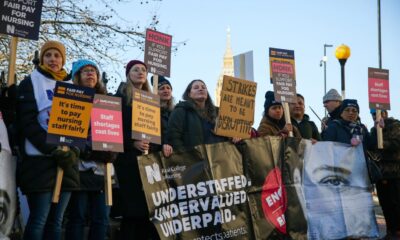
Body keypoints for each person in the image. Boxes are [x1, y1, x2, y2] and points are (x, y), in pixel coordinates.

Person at [16, 40, 80, 240]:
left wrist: (73, 152)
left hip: (66, 164)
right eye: (48, 55)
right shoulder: (30, 82)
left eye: (57, 55)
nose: (53, 59)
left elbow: (78, 125)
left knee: (56, 221)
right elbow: (27, 123)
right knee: (39, 220)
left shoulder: (72, 87)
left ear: (63, 60)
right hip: (40, 162)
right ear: (42, 58)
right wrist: (52, 148)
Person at [65, 59, 116, 240]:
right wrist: (87, 151)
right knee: (77, 217)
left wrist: (111, 153)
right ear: (77, 76)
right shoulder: (70, 99)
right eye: (85, 71)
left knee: (101, 219)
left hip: (103, 170)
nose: (90, 74)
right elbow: (65, 132)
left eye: (93, 71)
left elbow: (114, 136)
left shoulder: (108, 103)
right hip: (79, 167)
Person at [113, 60, 159, 239]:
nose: (140, 72)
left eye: (143, 70)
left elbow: (156, 133)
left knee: (148, 208)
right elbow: (113, 129)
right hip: (127, 161)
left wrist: (150, 145)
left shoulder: (151, 101)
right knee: (131, 209)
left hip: (147, 162)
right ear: (128, 74)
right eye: (135, 69)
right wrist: (132, 143)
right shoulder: (120, 98)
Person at [168, 79, 238, 152]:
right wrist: (187, 156)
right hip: (196, 160)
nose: (201, 89)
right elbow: (173, 137)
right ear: (189, 94)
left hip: (222, 158)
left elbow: (231, 134)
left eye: (203, 87)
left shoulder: (219, 112)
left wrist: (234, 136)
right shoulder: (181, 110)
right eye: (196, 88)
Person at [370, 109, 400, 239]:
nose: (374, 117)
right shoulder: (373, 130)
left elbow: (397, 143)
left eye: (377, 114)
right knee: (385, 204)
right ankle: (390, 230)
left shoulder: (395, 125)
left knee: (396, 203)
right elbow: (371, 147)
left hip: (395, 172)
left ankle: (398, 231)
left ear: (385, 114)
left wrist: (383, 143)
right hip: (380, 173)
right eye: (373, 115)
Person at [151, 75, 174, 157]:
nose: (166, 90)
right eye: (162, 88)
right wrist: (162, 145)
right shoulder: (151, 110)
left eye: (168, 88)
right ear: (156, 92)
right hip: (155, 154)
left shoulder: (175, 112)